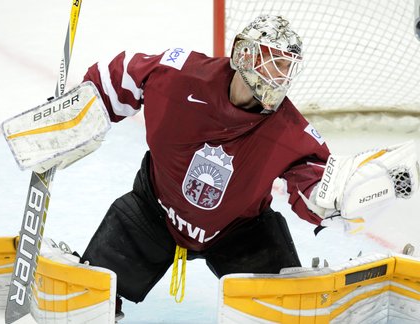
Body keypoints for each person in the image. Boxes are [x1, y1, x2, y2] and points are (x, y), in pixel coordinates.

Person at [79, 14, 331, 318]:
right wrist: (78, 111)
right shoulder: (181, 76)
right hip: (153, 212)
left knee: (282, 313)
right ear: (244, 53)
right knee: (88, 302)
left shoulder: (289, 130)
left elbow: (314, 178)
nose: (282, 74)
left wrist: (331, 199)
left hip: (240, 232)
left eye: (288, 66)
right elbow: (121, 76)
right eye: (275, 61)